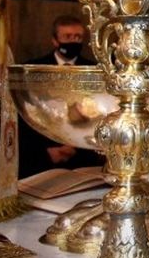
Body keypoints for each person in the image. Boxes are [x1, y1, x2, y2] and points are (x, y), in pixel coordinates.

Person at [19, 15, 104, 177]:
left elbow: (100, 112)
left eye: (77, 37)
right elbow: (26, 114)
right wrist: (45, 152)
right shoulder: (34, 69)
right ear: (55, 40)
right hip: (40, 158)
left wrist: (75, 147)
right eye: (67, 36)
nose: (73, 41)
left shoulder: (94, 70)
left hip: (83, 157)